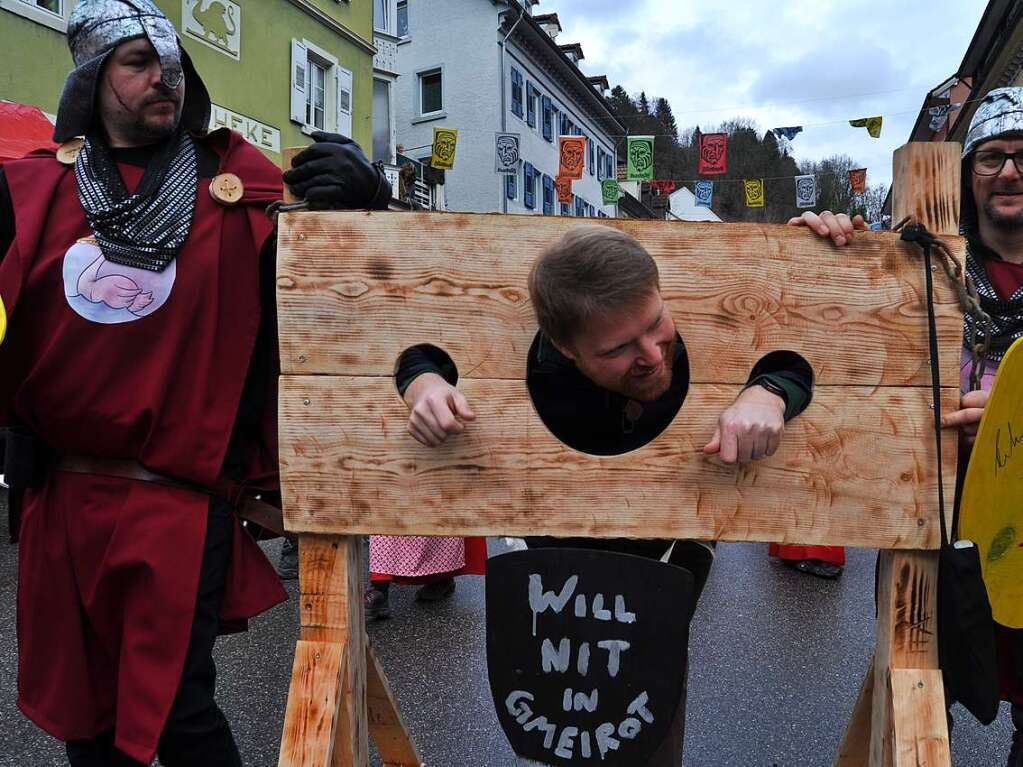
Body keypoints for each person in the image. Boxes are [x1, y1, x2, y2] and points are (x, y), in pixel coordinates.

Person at [0, 2, 390, 765]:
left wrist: (365, 206)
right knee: (89, 719)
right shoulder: (32, 193)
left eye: (170, 61)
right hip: (63, 499)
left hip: (177, 498)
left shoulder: (239, 186)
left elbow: (341, 296)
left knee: (177, 711)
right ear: (91, 78)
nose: (162, 77)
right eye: (137, 62)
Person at [394, 224, 814, 765]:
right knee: (560, 722)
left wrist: (770, 392)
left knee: (648, 705)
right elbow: (417, 350)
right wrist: (421, 384)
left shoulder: (690, 336)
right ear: (566, 348)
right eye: (619, 348)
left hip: (671, 545)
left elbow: (797, 353)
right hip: (551, 550)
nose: (653, 355)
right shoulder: (538, 362)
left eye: (656, 323)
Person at [789, 85, 1023, 766]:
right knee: (920, 684)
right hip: (931, 520)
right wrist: (816, 256)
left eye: (1022, 157)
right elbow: (822, 328)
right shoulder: (916, 261)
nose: (1009, 172)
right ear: (966, 174)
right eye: (992, 158)